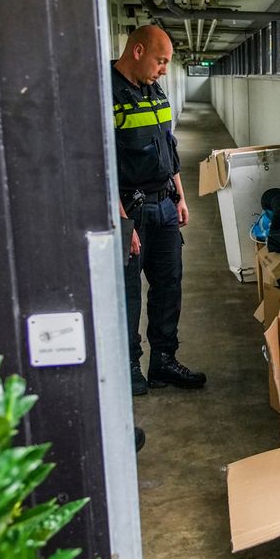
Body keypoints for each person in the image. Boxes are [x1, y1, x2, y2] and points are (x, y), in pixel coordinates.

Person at [111, 25, 206, 399]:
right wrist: (120, 220)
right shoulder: (106, 93)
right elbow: (99, 165)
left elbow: (169, 147)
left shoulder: (154, 90)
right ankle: (130, 366)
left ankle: (163, 361)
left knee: (168, 287)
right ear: (137, 50)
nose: (164, 68)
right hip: (130, 209)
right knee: (129, 292)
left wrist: (180, 197)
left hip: (165, 204)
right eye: (161, 60)